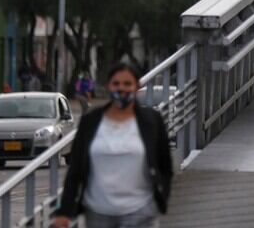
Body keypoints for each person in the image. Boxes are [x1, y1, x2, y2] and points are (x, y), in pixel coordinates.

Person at [52, 62, 173, 228]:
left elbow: (165, 165)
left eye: (127, 84)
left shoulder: (151, 122)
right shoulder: (91, 122)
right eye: (116, 84)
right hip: (97, 213)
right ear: (108, 86)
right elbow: (75, 171)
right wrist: (64, 213)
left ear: (137, 87)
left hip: (141, 212)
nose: (121, 89)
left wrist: (161, 198)